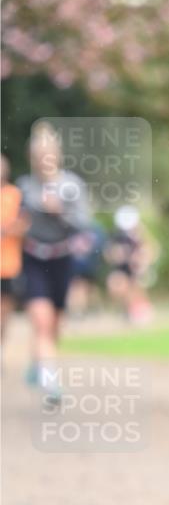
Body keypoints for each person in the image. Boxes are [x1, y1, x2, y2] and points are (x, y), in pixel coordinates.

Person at [17, 123, 90, 399]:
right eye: (37, 155)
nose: (43, 160)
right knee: (42, 321)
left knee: (55, 324)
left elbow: (84, 223)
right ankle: (51, 384)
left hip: (63, 258)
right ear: (31, 158)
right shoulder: (25, 186)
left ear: (57, 155)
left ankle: (39, 362)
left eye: (48, 153)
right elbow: (15, 221)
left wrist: (59, 212)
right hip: (34, 258)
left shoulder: (72, 186)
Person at [104, 205, 157, 325]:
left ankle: (140, 309)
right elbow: (109, 255)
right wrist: (117, 255)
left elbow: (151, 251)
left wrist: (141, 259)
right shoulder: (116, 236)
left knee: (137, 282)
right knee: (117, 284)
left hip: (139, 270)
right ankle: (127, 310)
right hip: (122, 271)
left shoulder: (141, 236)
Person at [1, 154, 29, 341]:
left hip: (9, 266)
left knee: (3, 314)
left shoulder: (15, 195)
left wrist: (7, 230)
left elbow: (26, 225)